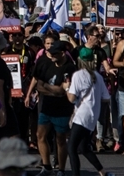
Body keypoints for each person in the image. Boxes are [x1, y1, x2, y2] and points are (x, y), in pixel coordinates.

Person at [64, 47, 111, 176]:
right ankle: (102, 172)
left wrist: (66, 88)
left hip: (81, 115)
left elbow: (71, 98)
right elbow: (106, 98)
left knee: (71, 148)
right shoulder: (98, 76)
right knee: (83, 147)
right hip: (93, 115)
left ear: (79, 60)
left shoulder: (78, 75)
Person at [33, 41, 76, 174]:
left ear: (62, 53)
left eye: (54, 54)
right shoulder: (47, 64)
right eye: (50, 53)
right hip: (47, 107)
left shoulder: (70, 68)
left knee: (60, 139)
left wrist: (48, 87)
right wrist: (52, 89)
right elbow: (39, 86)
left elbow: (63, 91)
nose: (51, 56)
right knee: (40, 135)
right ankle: (46, 166)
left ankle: (61, 169)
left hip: (62, 109)